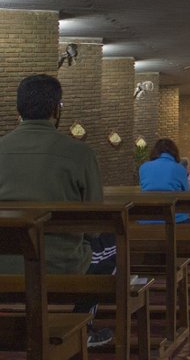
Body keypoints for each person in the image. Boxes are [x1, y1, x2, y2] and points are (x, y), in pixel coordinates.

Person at [0, 74, 113, 347]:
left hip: (2, 266)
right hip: (61, 270)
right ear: (57, 109)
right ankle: (82, 327)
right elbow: (95, 224)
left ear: (18, 109)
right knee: (109, 249)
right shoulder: (80, 154)